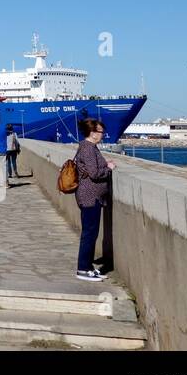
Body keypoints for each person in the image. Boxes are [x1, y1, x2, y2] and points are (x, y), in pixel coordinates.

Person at [74, 115, 115, 281]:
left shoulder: (85, 146)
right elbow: (95, 173)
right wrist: (109, 168)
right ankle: (83, 269)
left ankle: (88, 266)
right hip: (90, 196)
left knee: (90, 232)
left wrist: (104, 164)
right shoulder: (88, 148)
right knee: (89, 233)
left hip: (89, 196)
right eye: (100, 131)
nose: (103, 134)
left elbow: (91, 168)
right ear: (92, 132)